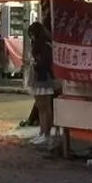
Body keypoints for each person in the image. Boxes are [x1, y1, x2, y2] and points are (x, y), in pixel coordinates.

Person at [27, 20, 57, 149]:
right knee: (41, 107)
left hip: (43, 78)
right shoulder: (43, 44)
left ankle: (46, 133)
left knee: (44, 107)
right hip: (40, 77)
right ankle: (42, 132)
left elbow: (45, 63)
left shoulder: (44, 45)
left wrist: (34, 63)